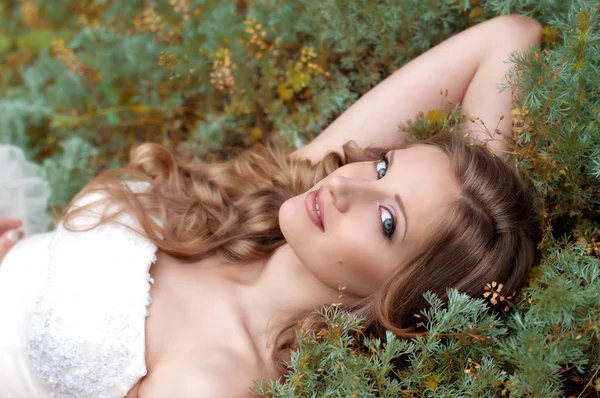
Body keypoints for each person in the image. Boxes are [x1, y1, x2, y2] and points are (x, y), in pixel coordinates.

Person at [0, 14, 543, 398]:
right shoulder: (285, 196)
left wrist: (467, 266)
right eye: (382, 166)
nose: (345, 187)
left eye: (386, 222)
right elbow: (509, 38)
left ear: (401, 296)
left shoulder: (214, 382)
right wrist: (480, 215)